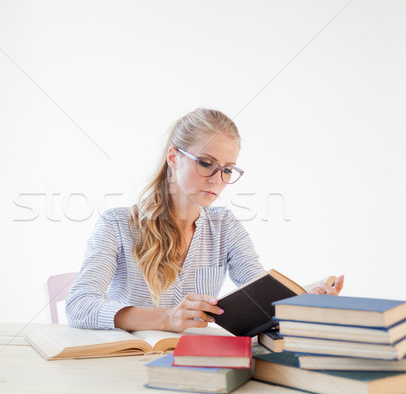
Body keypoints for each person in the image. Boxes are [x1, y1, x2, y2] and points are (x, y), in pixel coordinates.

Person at [65, 108, 344, 332]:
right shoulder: (116, 224)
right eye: (206, 163)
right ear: (173, 157)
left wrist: (305, 295)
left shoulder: (225, 226)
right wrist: (167, 318)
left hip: (193, 362)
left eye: (227, 169)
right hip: (125, 364)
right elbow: (79, 306)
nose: (217, 179)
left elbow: (259, 290)